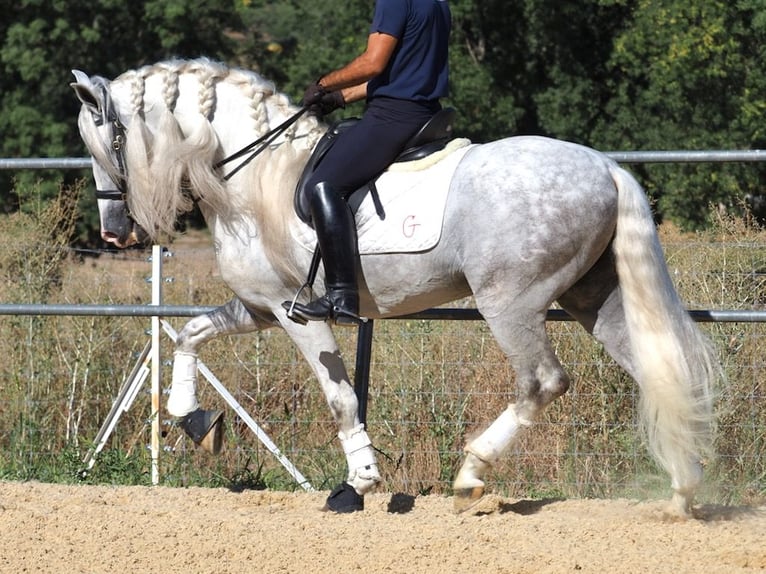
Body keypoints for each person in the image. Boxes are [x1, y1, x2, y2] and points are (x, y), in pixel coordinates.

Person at [284, 0, 451, 325]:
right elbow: (400, 74)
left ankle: (341, 296)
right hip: (425, 112)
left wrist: (324, 83)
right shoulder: (438, 3)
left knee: (323, 185)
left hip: (393, 116)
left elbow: (373, 63)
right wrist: (339, 98)